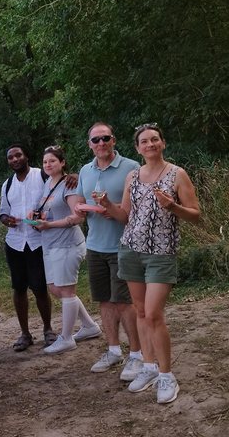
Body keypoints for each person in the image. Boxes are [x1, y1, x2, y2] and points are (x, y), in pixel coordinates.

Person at [97, 123, 200, 404]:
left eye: (155, 139)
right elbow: (126, 216)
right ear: (137, 148)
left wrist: (173, 207)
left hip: (162, 252)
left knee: (154, 314)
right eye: (144, 141)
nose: (150, 144)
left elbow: (195, 215)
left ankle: (167, 375)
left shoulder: (177, 174)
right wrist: (108, 205)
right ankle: (149, 366)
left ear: (163, 143)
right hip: (131, 250)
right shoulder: (133, 175)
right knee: (141, 312)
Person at [74, 122, 144, 380]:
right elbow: (80, 202)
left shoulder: (131, 168)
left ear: (114, 140)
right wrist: (80, 209)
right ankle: (114, 350)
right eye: (95, 140)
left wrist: (111, 209)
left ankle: (137, 355)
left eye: (105, 138)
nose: (100, 143)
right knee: (105, 299)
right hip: (94, 244)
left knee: (125, 302)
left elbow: (136, 211)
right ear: (89, 144)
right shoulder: (85, 170)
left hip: (123, 245)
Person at [0, 144, 77, 351]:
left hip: (38, 241)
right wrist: (7, 220)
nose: (14, 159)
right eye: (10, 157)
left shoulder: (41, 175)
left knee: (41, 288)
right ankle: (25, 334)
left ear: (26, 157)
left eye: (18, 155)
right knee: (18, 288)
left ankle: (48, 329)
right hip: (14, 242)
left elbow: (60, 180)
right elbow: (3, 212)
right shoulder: (7, 185)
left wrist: (74, 176)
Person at [27, 146, 98, 354]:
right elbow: (48, 209)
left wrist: (49, 225)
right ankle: (89, 326)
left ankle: (66, 338)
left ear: (62, 163)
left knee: (67, 290)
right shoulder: (48, 183)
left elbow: (78, 217)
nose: (48, 165)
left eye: (53, 161)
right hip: (49, 243)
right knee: (55, 288)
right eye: (45, 162)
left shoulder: (70, 183)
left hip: (67, 243)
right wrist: (35, 214)